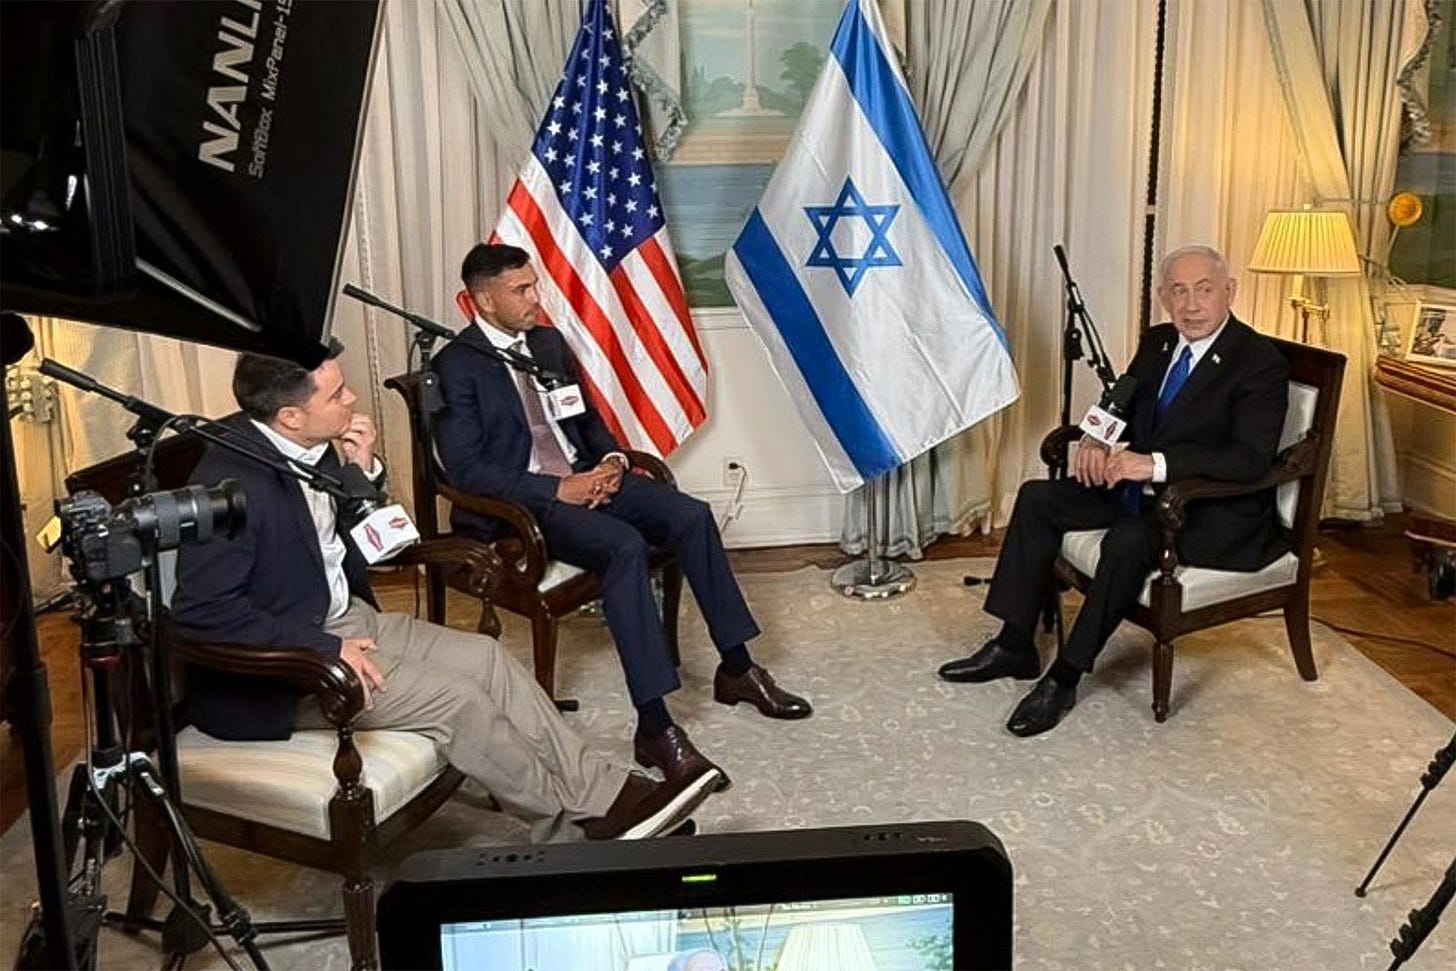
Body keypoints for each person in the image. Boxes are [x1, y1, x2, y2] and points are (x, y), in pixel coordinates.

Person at [170, 351, 722, 842]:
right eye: (337, 394)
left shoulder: (311, 445)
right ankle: (566, 829)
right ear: (290, 415)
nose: (353, 397)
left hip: (344, 616)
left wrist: (364, 473)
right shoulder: (230, 486)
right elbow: (202, 612)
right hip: (289, 664)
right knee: (459, 701)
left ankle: (601, 795)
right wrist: (323, 648)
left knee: (488, 659)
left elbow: (358, 542)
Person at [433, 243, 812, 792]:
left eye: (534, 284)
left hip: (587, 476)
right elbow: (467, 472)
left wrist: (611, 461)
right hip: (527, 507)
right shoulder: (455, 367)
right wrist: (560, 488)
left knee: (691, 516)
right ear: (482, 301)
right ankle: (656, 728)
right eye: (522, 290)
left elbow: (584, 423)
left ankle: (737, 668)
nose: (536, 297)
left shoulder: (545, 344)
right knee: (623, 546)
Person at [937, 245, 1290, 737]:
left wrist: (1152, 464)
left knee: (1126, 540)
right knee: (1038, 498)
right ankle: (1014, 643)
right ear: (1164, 298)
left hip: (1207, 509)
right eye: (1179, 292)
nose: (1191, 305)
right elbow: (1122, 393)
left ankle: (1064, 677)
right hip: (1139, 491)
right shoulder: (1161, 341)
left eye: (1204, 290)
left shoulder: (1257, 362)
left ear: (1229, 291)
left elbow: (1249, 459)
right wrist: (1096, 433)